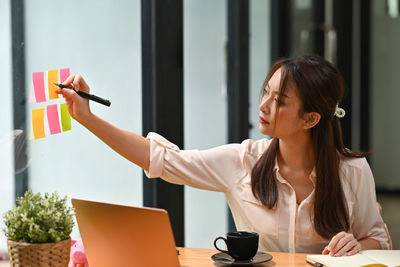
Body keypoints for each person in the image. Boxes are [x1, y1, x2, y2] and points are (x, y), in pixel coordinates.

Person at [57, 55, 391, 255]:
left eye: (280, 100)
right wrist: (87, 118)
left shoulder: (353, 171)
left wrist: (358, 246)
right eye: (266, 92)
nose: (263, 105)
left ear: (310, 119)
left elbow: (379, 239)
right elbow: (161, 159)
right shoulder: (242, 162)